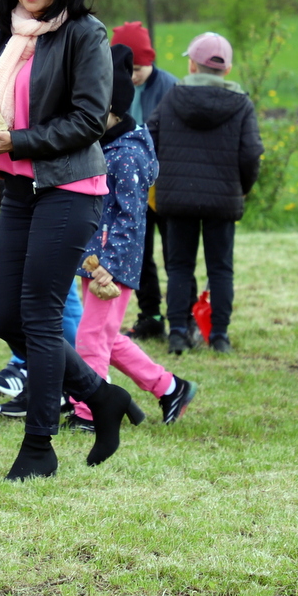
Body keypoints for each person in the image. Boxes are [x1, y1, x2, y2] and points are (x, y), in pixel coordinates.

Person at [0, 0, 138, 481]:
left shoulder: (86, 34)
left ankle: (39, 446)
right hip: (19, 189)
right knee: (7, 317)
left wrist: (19, 141)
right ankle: (99, 397)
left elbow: (87, 120)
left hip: (70, 188)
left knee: (38, 313)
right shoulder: (2, 29)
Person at [68, 45, 197, 428]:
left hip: (114, 263)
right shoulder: (104, 145)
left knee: (91, 340)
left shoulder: (126, 155)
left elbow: (131, 218)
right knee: (103, 336)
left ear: (113, 110)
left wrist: (108, 265)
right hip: (95, 259)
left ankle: (88, 413)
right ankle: (171, 388)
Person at [147, 32, 263, 356]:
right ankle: (220, 336)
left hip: (177, 199)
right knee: (220, 268)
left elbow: (150, 142)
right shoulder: (241, 103)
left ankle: (178, 334)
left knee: (179, 266)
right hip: (223, 199)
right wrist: (241, 189)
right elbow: (251, 154)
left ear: (193, 66)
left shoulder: (171, 97)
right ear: (226, 70)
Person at [109, 21, 178, 341]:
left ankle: (182, 313)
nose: (133, 75)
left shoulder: (170, 88)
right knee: (141, 252)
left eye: (139, 68)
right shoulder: (113, 87)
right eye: (128, 69)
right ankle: (150, 314)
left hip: (164, 187)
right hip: (131, 187)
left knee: (174, 254)